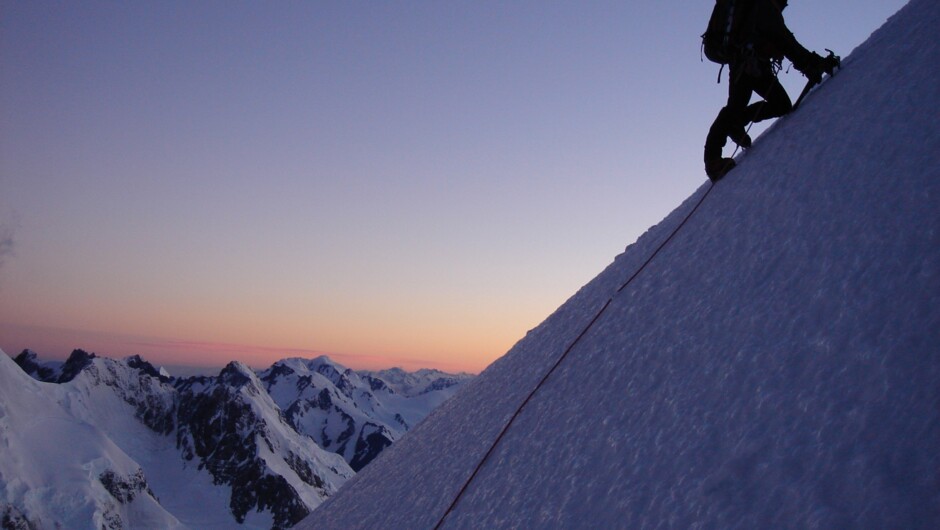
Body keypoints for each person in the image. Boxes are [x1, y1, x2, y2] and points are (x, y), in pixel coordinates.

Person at [704, 0, 831, 181]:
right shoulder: (765, 7)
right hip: (747, 64)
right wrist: (812, 63)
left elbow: (781, 39)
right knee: (736, 108)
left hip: (749, 63)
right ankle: (713, 160)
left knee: (774, 105)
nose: (785, 5)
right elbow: (785, 40)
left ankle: (732, 129)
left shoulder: (759, 8)